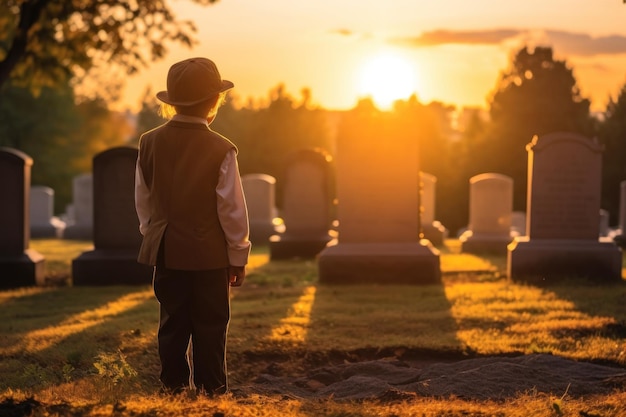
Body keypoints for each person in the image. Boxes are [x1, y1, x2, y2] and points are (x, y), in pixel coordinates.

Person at [134, 57, 251, 396]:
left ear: (173, 103)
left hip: (167, 250)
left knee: (172, 323)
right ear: (215, 101)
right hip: (209, 256)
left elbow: (144, 200)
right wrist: (238, 254)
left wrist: (154, 235)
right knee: (211, 325)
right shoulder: (221, 149)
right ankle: (212, 389)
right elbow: (231, 211)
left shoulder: (147, 142)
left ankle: (172, 387)